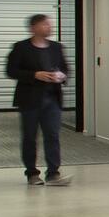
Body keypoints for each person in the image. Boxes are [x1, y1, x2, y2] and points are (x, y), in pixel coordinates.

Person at [7, 14, 72, 186]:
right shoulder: (21, 48)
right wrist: (35, 75)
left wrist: (61, 76)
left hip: (53, 100)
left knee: (52, 135)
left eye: (49, 24)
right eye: (45, 24)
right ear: (33, 27)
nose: (49, 27)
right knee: (29, 137)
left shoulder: (57, 48)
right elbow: (11, 71)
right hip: (29, 100)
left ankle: (53, 173)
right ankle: (32, 173)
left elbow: (66, 68)